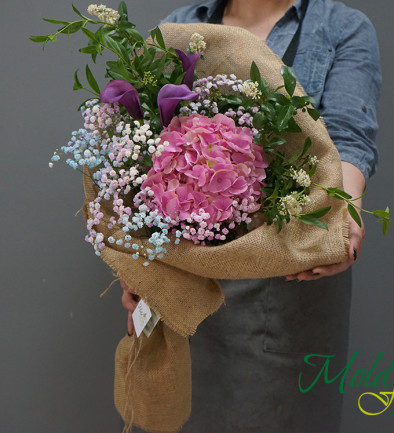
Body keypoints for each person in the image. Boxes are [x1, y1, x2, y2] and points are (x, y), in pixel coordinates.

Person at [121, 0, 381, 431]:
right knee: (174, 410)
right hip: (184, 282)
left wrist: (345, 213)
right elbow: (141, 155)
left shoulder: (340, 27)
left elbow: (349, 138)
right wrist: (137, 264)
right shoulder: (180, 26)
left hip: (285, 285)